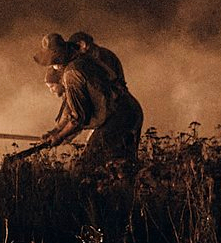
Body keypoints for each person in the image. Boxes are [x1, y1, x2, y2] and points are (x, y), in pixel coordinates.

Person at [18, 33, 144, 176]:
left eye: (52, 62)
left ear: (58, 59)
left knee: (85, 168)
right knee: (123, 167)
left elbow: (78, 118)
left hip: (117, 118)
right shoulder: (84, 59)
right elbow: (71, 107)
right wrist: (56, 130)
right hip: (131, 109)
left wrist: (59, 137)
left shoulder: (72, 73)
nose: (53, 66)